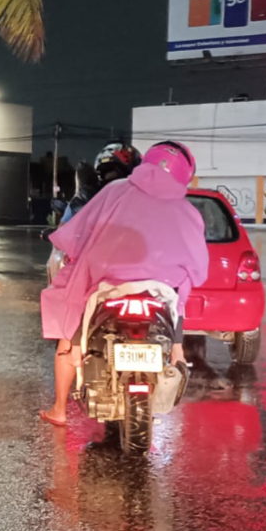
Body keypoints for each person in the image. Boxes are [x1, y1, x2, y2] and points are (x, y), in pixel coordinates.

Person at [39, 141, 209, 427]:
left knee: (69, 339)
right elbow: (197, 268)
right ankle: (176, 352)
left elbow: (80, 232)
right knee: (178, 305)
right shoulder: (187, 210)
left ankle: (59, 410)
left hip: (106, 285)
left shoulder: (114, 191)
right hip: (160, 292)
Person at [61, 142, 141, 225]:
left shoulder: (139, 201)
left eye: (115, 174)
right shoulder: (83, 200)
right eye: (105, 173)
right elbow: (61, 233)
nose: (111, 182)